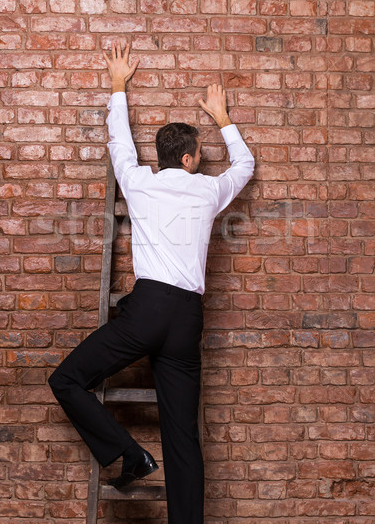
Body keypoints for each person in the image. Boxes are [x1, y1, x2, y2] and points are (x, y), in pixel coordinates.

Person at [48, 40, 255, 524]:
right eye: (200, 154)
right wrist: (224, 117)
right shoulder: (207, 190)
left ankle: (129, 454)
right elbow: (244, 166)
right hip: (187, 318)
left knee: (67, 379)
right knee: (182, 436)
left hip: (147, 310)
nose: (202, 161)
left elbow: (118, 141)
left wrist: (118, 85)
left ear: (164, 157)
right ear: (187, 160)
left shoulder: (138, 183)